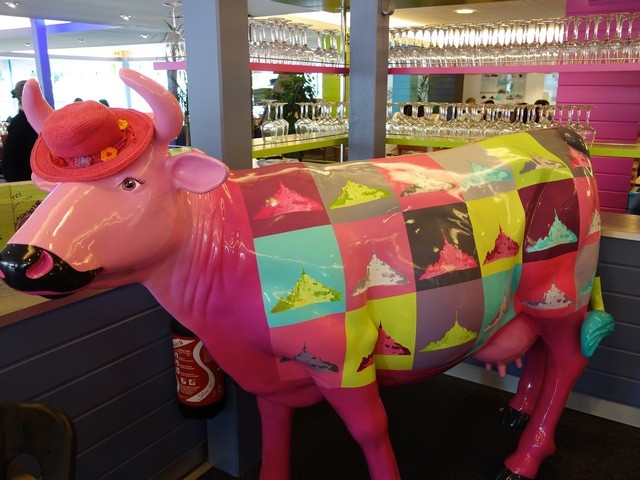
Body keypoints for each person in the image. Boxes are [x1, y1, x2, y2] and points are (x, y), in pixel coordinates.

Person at [2, 80, 38, 182]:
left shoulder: (28, 120)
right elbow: (9, 159)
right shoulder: (20, 123)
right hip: (26, 178)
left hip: (32, 177)